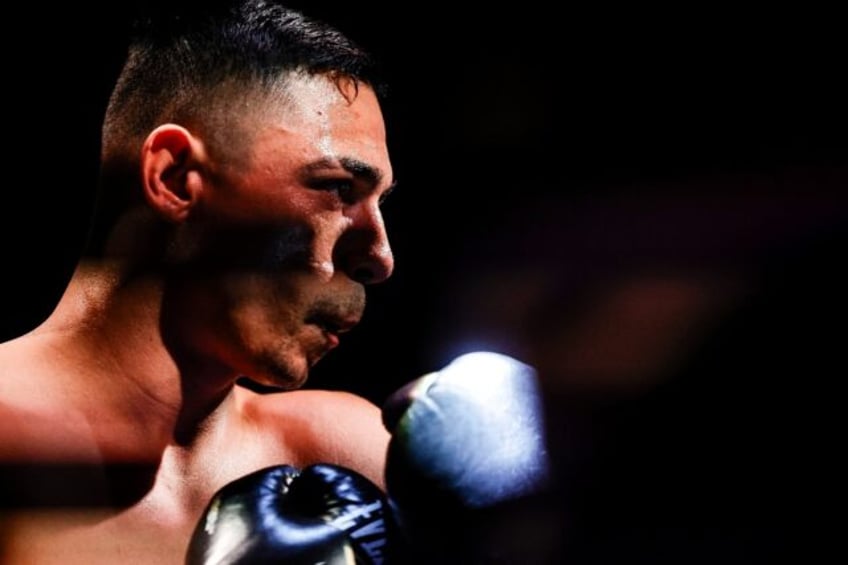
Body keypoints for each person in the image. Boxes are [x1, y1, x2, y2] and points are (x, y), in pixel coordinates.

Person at [0, 1, 397, 562]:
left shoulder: (345, 452)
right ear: (176, 178)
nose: (380, 258)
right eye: (337, 189)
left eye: (380, 205)